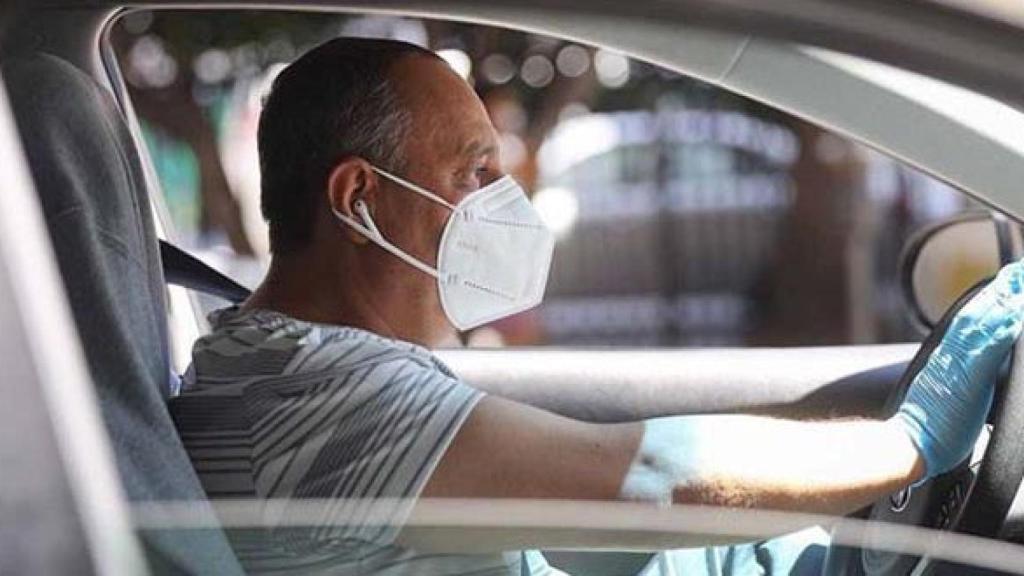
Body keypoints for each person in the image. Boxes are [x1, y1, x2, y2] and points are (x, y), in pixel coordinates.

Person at [169, 37, 1024, 575]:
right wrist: (907, 443)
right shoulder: (316, 396)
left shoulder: (285, 366)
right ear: (360, 200)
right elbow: (649, 476)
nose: (504, 201)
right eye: (474, 173)